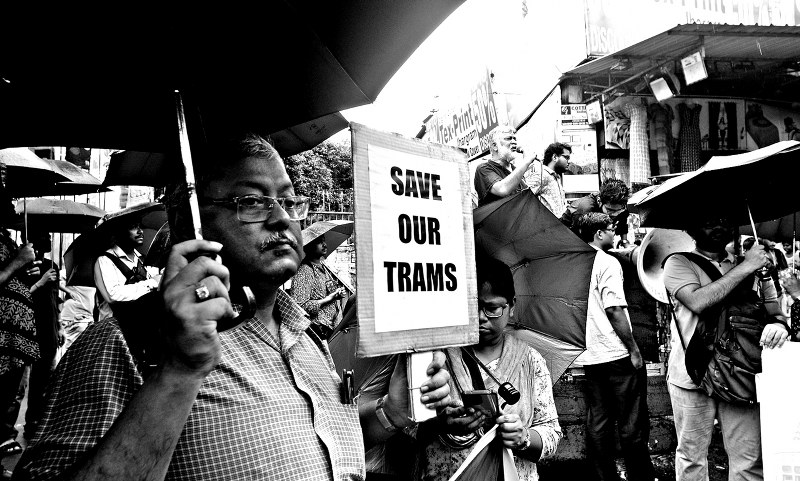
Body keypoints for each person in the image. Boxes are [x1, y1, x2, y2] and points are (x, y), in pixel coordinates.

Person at [15, 133, 451, 481]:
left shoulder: (308, 339)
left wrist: (391, 413)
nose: (281, 218)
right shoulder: (129, 343)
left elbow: (320, 447)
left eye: (288, 199)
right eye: (253, 202)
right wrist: (179, 373)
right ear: (191, 220)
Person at [414, 254, 561, 481]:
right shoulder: (436, 359)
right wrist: (440, 425)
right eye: (473, 307)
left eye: (492, 308)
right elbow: (408, 427)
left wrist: (523, 437)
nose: (481, 318)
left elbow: (551, 433)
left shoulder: (531, 362)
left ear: (511, 306)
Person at [663, 216, 788, 481]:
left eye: (723, 220)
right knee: (691, 458)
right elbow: (698, 301)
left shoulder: (751, 265)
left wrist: (779, 326)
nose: (718, 226)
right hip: (693, 374)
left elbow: (775, 312)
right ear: (692, 228)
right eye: (709, 220)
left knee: (749, 459)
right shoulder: (677, 263)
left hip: (740, 372)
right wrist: (746, 267)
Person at [572, 212, 654, 481]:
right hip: (616, 352)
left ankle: (602, 477)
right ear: (598, 234)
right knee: (631, 422)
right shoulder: (606, 262)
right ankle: (639, 477)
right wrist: (633, 349)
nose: (614, 234)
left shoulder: (575, 262)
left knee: (598, 419)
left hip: (592, 354)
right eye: (610, 229)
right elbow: (614, 309)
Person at [0, 198, 37, 476]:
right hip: (2, 341)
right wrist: (18, 261)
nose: (12, 202)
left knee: (6, 405)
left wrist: (28, 272)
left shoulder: (4, 237)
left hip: (15, 341)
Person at [19, 230, 63, 442]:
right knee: (23, 381)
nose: (48, 240)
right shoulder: (23, 267)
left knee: (44, 379)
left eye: (49, 237)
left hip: (49, 328)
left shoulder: (52, 265)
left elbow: (55, 299)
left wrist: (60, 326)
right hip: (29, 328)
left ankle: (36, 422)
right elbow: (22, 295)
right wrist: (41, 281)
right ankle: (15, 427)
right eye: (42, 237)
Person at [93, 218, 160, 322]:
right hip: (115, 327)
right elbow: (113, 295)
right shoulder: (104, 260)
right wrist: (151, 283)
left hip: (142, 322)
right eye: (133, 227)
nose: (140, 231)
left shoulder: (143, 260)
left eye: (140, 227)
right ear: (119, 232)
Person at [290, 234, 350, 340]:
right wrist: (329, 299)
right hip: (317, 332)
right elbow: (299, 307)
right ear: (309, 245)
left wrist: (337, 293)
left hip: (333, 327)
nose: (324, 245)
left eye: (324, 241)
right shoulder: (304, 271)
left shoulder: (324, 269)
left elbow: (329, 292)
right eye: (319, 242)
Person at [473, 125, 536, 207]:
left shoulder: (515, 170)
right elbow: (502, 189)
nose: (514, 142)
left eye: (515, 139)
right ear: (494, 146)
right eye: (508, 138)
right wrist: (526, 162)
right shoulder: (483, 169)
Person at [562, 178, 631, 240]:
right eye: (610, 210)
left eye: (618, 211)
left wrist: (624, 241)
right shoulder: (585, 209)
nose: (615, 214)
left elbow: (623, 220)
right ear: (599, 201)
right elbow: (581, 238)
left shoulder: (621, 204)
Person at [523, 142, 571, 218]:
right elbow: (523, 198)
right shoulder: (542, 174)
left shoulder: (556, 176)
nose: (569, 161)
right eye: (566, 157)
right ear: (555, 157)